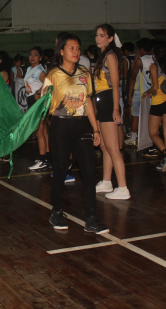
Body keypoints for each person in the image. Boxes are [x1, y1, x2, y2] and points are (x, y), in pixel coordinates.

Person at [42, 33, 108, 233]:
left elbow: (88, 100)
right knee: (60, 171)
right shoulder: (53, 74)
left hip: (82, 127)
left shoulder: (84, 73)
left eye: (78, 48)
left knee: (89, 173)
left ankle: (91, 218)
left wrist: (95, 129)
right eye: (71, 48)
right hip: (61, 127)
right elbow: (44, 102)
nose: (76, 52)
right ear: (61, 51)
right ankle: (56, 212)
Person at [93, 24, 130, 200]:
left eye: (102, 35)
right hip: (101, 101)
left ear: (110, 38)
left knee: (113, 148)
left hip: (108, 101)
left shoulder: (111, 56)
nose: (98, 38)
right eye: (97, 35)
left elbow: (116, 85)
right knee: (105, 146)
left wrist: (116, 109)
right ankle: (107, 181)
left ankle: (123, 187)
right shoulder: (104, 55)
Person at [143, 40, 166, 172]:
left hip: (158, 102)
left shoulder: (154, 66)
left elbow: (155, 87)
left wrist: (147, 93)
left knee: (153, 133)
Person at [126, 38, 154, 153]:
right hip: (153, 93)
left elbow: (132, 77)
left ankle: (134, 139)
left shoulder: (140, 61)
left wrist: (129, 95)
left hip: (140, 92)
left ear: (141, 49)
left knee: (136, 116)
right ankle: (151, 140)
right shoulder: (155, 59)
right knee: (151, 118)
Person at [24, 47, 49, 171]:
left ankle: (42, 159)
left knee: (39, 131)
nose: (32, 57)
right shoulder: (29, 69)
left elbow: (48, 84)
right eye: (30, 54)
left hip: (37, 101)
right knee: (43, 132)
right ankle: (47, 156)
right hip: (30, 100)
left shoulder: (40, 70)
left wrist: (39, 92)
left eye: (35, 55)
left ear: (40, 57)